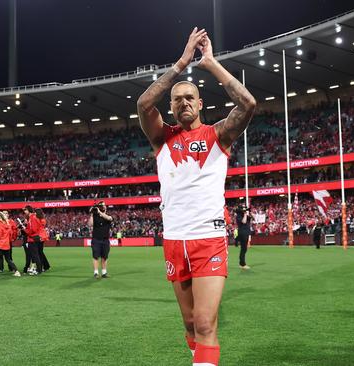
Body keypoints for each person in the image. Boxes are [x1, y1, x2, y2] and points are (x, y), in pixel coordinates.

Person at [137, 27, 256, 366]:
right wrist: (180, 64)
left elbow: (248, 104)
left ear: (201, 103)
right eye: (177, 99)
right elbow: (144, 103)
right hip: (174, 239)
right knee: (189, 323)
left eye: (190, 97)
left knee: (205, 322)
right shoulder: (162, 138)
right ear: (171, 107)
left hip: (208, 238)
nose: (184, 102)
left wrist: (210, 64)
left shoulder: (218, 134)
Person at [87, 201, 113, 278]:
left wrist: (99, 212)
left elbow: (109, 218)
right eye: (102, 206)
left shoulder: (108, 216)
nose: (104, 207)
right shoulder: (95, 216)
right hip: (96, 239)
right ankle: (96, 273)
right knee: (95, 256)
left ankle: (104, 272)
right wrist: (91, 215)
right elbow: (89, 224)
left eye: (104, 205)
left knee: (104, 257)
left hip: (105, 240)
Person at [23, 205, 43, 275]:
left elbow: (33, 230)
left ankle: (38, 270)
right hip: (34, 238)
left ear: (29, 210)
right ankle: (39, 269)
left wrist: (25, 230)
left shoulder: (32, 218)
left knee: (35, 255)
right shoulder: (33, 217)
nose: (24, 212)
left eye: (25, 210)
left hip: (32, 238)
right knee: (36, 255)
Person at [235, 205, 253, 269]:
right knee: (243, 249)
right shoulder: (238, 216)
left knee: (244, 249)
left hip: (246, 233)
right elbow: (244, 221)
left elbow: (252, 218)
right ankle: (242, 264)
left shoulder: (243, 215)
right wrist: (245, 214)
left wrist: (249, 212)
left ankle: (241, 263)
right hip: (242, 233)